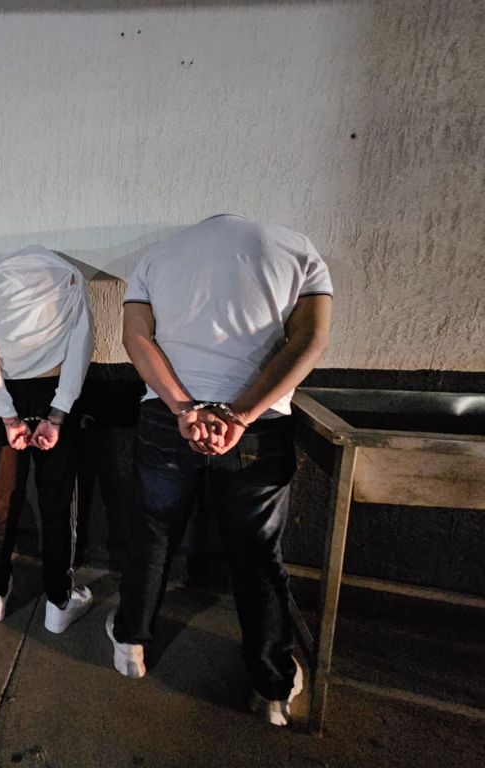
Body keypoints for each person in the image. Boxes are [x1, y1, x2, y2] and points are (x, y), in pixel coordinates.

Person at [110, 214, 332, 727]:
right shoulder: (297, 250)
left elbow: (137, 339)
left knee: (154, 531)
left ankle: (130, 645)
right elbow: (310, 341)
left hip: (167, 418)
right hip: (259, 423)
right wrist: (240, 415)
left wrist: (184, 408)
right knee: (258, 551)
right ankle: (273, 686)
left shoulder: (157, 256)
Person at [0, 245, 95, 632]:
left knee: (0, 498)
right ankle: (58, 600)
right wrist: (58, 412)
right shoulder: (70, 276)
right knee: (58, 501)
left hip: (5, 393)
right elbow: (81, 346)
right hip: (55, 389)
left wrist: (6, 413)